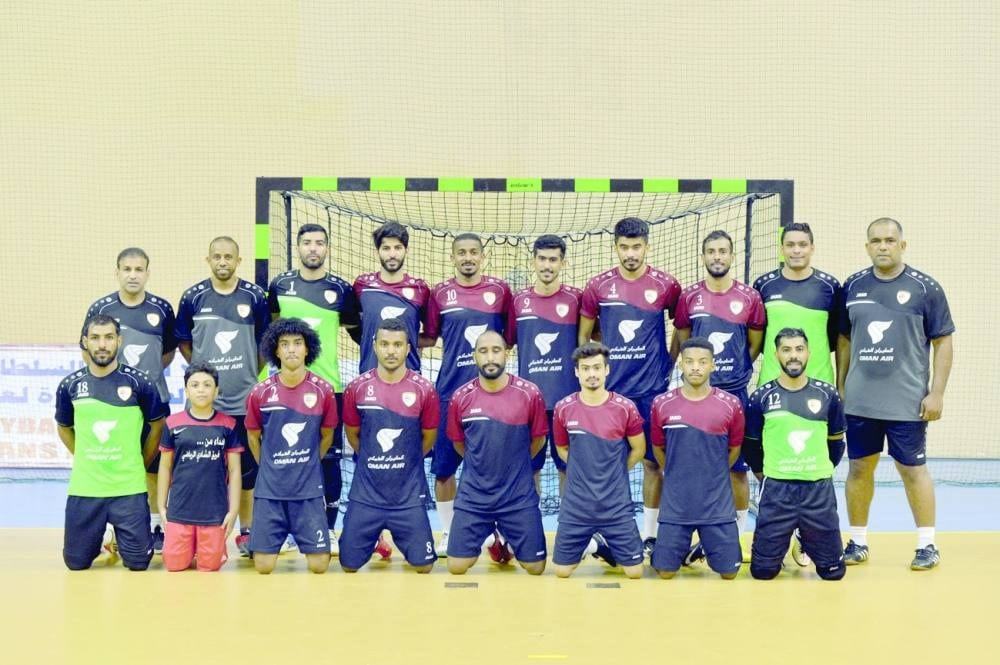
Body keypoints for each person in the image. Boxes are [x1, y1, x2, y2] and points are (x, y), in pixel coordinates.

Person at [838, 218, 954, 570]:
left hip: (907, 403)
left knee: (912, 470)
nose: (883, 246)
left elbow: (943, 341)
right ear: (867, 246)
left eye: (890, 240)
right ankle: (858, 541)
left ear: (903, 245)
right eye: (876, 241)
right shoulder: (853, 286)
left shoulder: (925, 288)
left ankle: (927, 545)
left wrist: (937, 393)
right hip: (861, 403)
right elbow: (843, 339)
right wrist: (842, 387)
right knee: (859, 468)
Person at [579, 217, 681, 557]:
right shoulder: (598, 286)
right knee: (610, 465)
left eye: (636, 247)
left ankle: (650, 535)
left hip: (652, 392)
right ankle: (609, 532)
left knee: (653, 464)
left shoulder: (666, 285)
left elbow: (681, 328)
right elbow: (585, 336)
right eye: (624, 247)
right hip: (611, 395)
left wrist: (669, 362)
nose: (630, 253)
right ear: (616, 248)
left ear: (647, 246)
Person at [268, 223, 361, 554]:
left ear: (327, 248)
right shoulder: (280, 286)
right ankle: (284, 530)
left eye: (319, 243)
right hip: (286, 389)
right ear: (298, 247)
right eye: (307, 242)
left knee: (329, 461)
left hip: (329, 390)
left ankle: (329, 529)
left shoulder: (341, 290)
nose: (313, 248)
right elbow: (272, 327)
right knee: (285, 458)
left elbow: (358, 331)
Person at [672, 230, 764, 560]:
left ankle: (735, 536)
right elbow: (684, 340)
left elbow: (754, 344)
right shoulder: (689, 297)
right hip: (695, 396)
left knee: (737, 469)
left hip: (735, 394)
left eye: (723, 251)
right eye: (711, 251)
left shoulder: (750, 297)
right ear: (703, 256)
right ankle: (689, 534)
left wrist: (734, 370)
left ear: (732, 256)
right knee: (692, 467)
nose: (717, 257)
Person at [175, 236, 269, 556]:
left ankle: (247, 531)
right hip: (204, 407)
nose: (223, 262)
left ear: (238, 261)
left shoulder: (254, 297)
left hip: (243, 401)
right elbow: (184, 343)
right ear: (208, 260)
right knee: (201, 471)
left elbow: (264, 344)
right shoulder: (193, 297)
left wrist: (248, 372)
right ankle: (197, 531)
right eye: (217, 256)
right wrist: (204, 377)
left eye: (229, 257)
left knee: (247, 472)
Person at [422, 233, 514, 554]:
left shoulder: (500, 291)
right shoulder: (440, 293)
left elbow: (509, 339)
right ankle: (449, 532)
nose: (468, 258)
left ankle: (498, 530)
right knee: (444, 469)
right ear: (452, 257)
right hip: (449, 393)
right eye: (461, 253)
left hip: (492, 396)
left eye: (474, 252)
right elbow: (429, 336)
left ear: (483, 257)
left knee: (493, 468)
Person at [55, 314, 168, 571]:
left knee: (138, 563)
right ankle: (104, 537)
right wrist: (85, 457)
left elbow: (157, 426)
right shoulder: (70, 386)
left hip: (128, 488)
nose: (102, 344)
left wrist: (140, 462)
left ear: (119, 340)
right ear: (85, 342)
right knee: (76, 563)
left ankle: (118, 534)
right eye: (95, 338)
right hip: (86, 488)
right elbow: (64, 428)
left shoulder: (141, 383)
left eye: (108, 337)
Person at [85, 247, 177, 553]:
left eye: (139, 269)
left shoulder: (162, 309)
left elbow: (167, 353)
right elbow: (89, 352)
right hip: (112, 406)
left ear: (148, 273)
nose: (133, 275)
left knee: (154, 467)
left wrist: (143, 384)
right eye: (127, 269)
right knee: (111, 461)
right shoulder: (101, 308)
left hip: (154, 403)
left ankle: (156, 525)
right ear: (117, 272)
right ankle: (109, 529)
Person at [744, 328, 847, 581]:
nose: (793, 356)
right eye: (786, 350)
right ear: (776, 354)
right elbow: (752, 446)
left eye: (799, 349)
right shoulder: (761, 397)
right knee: (763, 572)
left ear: (808, 353)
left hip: (818, 490)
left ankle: (804, 533)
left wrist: (817, 468)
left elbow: (836, 443)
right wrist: (766, 474)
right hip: (777, 491)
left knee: (833, 573)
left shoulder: (828, 395)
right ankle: (790, 531)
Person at [339, 319, 439, 573]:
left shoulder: (425, 389)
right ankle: (373, 539)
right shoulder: (356, 388)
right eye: (384, 344)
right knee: (348, 565)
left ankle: (404, 537)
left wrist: (407, 459)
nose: (391, 351)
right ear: (375, 346)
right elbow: (353, 434)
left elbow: (428, 437)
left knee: (424, 567)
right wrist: (373, 457)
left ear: (408, 348)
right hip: (366, 495)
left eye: (397, 345)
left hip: (408, 496)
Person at [445, 331, 548, 575]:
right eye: (483, 351)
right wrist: (482, 462)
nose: (490, 357)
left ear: (506, 354)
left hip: (517, 496)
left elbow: (538, 440)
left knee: (535, 568)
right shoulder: (460, 397)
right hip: (474, 497)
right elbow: (459, 444)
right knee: (456, 567)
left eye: (496, 350)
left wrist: (515, 463)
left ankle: (507, 541)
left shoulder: (530, 394)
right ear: (474, 356)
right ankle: (492, 538)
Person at [245, 318, 339, 574]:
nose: (291, 350)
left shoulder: (324, 390)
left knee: (319, 566)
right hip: (270, 491)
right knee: (263, 567)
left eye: (298, 343)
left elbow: (327, 435)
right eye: (284, 344)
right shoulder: (260, 392)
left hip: (307, 490)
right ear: (276, 351)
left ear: (307, 349)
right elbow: (253, 436)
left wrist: (310, 462)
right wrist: (268, 465)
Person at [649, 338, 744, 580]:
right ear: (681, 364)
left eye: (702, 362)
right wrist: (673, 471)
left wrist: (715, 473)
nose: (695, 367)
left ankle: (705, 545)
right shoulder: (662, 404)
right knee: (665, 573)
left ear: (713, 365)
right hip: (676, 505)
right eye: (689, 361)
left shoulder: (731, 404)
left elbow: (734, 449)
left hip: (716, 505)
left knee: (729, 573)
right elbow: (658, 447)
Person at [551, 343, 645, 579]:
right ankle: (595, 545)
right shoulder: (563, 408)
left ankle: (602, 544)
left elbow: (639, 449)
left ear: (606, 370)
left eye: (596, 367)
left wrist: (615, 471)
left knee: (635, 572)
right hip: (576, 506)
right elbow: (562, 448)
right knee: (562, 572)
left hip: (616, 505)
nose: (591, 373)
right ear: (577, 372)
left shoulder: (625, 408)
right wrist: (582, 468)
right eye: (585, 369)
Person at [510, 234, 582, 493]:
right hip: (529, 403)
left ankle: (569, 519)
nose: (547, 265)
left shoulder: (576, 299)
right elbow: (507, 342)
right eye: (542, 259)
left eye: (553, 260)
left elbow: (590, 338)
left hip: (568, 400)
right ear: (533, 261)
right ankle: (529, 518)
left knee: (568, 466)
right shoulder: (518, 301)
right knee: (530, 467)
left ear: (563, 263)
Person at [157, 362, 241, 572]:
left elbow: (234, 471)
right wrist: (161, 507)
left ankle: (203, 551)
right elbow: (165, 467)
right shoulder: (172, 423)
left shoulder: (228, 425)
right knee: (174, 565)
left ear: (216, 391)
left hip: (214, 513)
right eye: (194, 385)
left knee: (210, 567)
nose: (201, 390)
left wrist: (233, 511)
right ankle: (187, 549)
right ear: (186, 391)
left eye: (207, 385)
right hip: (179, 510)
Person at [753, 222, 843, 386]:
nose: (796, 250)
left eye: (802, 245)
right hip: (772, 384)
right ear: (782, 249)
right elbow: (757, 339)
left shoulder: (830, 287)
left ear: (812, 248)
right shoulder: (763, 285)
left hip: (819, 383)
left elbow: (837, 339)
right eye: (790, 245)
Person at [353, 221, 430, 373]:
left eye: (398, 248)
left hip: (409, 376)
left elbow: (431, 336)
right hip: (370, 375)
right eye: (386, 248)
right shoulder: (362, 286)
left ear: (406, 250)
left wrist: (409, 342)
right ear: (377, 252)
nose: (392, 254)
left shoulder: (420, 289)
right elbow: (353, 323)